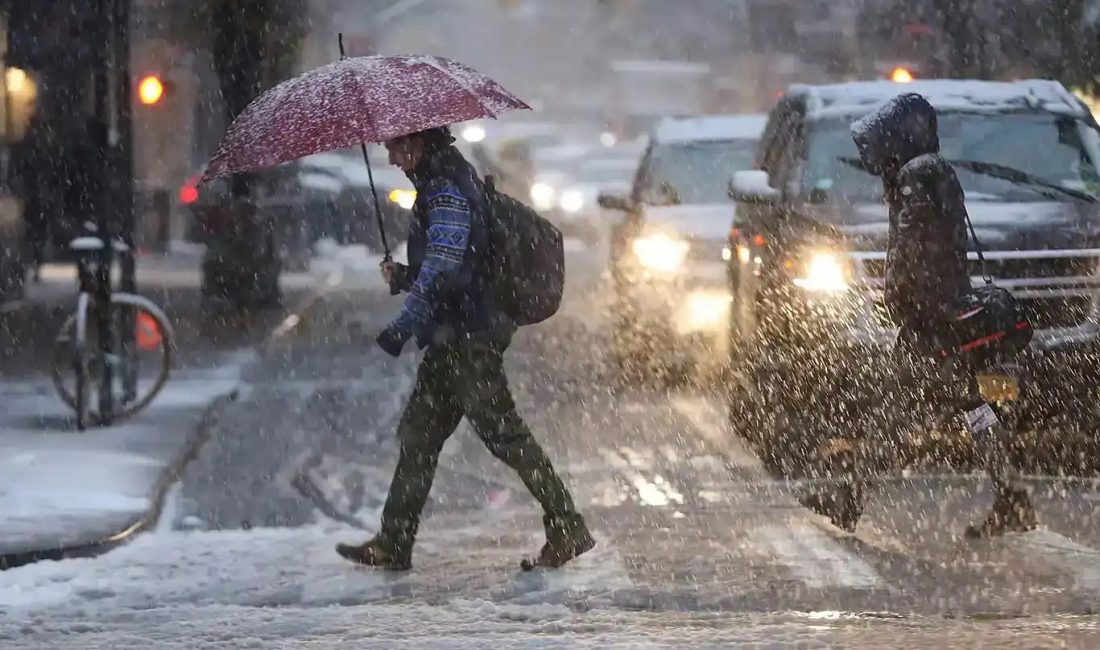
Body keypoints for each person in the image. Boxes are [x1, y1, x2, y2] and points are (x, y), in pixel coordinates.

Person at [336, 127, 594, 570]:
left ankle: (568, 526)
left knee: (505, 436)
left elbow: (444, 272)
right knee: (420, 436)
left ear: (420, 143)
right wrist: (403, 277)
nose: (393, 158)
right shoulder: (445, 183)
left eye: (397, 147)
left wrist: (402, 325)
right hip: (453, 336)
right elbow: (449, 265)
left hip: (469, 338)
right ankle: (394, 541)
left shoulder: (447, 192)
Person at [800, 93, 1037, 538]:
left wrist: (905, 302)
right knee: (976, 408)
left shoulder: (917, 174)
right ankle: (1012, 497)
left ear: (899, 137)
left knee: (894, 411)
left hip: (933, 323)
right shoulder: (932, 170)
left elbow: (912, 251)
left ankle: (851, 500)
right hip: (953, 314)